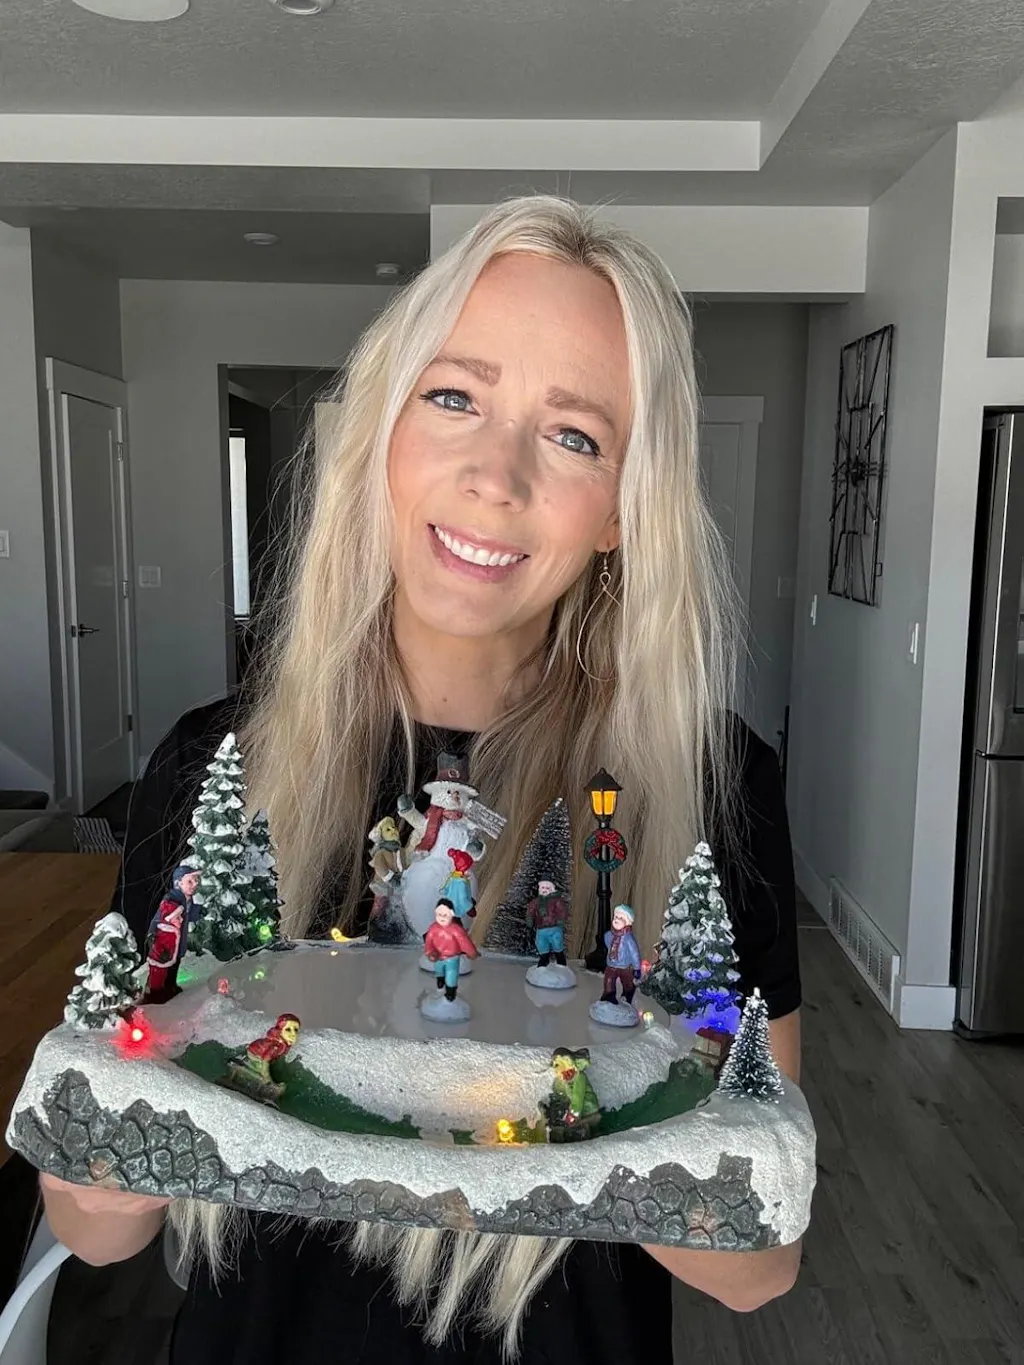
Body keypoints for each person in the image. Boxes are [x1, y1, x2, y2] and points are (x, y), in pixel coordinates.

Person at [40, 196, 803, 1363]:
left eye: (574, 435)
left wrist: (617, 1095)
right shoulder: (214, 767)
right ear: (380, 433)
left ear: (621, 510)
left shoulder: (710, 787)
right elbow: (97, 1237)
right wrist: (111, 1138)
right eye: (454, 397)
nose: (496, 475)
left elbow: (755, 1271)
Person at [601, 902, 643, 1005]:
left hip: (625, 966)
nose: (617, 919)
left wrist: (637, 968)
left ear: (628, 922)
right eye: (616, 917)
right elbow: (608, 943)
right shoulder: (610, 934)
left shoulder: (628, 939)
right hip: (611, 965)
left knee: (627, 982)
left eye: (621, 918)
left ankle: (628, 993)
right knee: (609, 981)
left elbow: (634, 953)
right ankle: (609, 996)